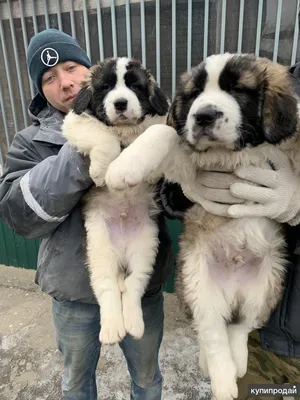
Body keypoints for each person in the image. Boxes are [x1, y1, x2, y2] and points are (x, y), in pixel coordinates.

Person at [0, 29, 176, 400]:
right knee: (76, 385)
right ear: (40, 88)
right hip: (72, 292)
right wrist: (83, 155)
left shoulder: (143, 115)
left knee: (147, 378)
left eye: (70, 67)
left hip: (142, 282)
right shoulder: (28, 142)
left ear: (89, 70)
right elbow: (19, 215)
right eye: (49, 78)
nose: (64, 83)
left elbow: (175, 191)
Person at [163, 64, 300, 399]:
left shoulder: (274, 90)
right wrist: (184, 189)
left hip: (276, 306)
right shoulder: (281, 79)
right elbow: (165, 178)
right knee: (249, 390)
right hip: (263, 339)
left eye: (236, 91)